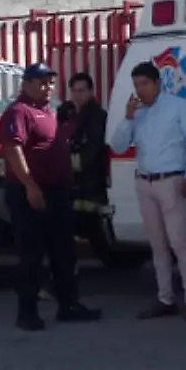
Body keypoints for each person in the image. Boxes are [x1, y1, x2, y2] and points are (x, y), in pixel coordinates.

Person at [0, 63, 101, 331]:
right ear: (26, 84)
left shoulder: (49, 112)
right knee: (31, 255)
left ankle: (68, 306)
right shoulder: (18, 112)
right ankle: (27, 312)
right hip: (31, 193)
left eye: (51, 82)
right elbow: (13, 150)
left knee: (64, 253)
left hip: (58, 193)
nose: (48, 87)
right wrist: (30, 186)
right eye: (42, 82)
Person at [110, 60, 186, 324]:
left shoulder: (178, 107)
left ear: (156, 83)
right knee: (157, 245)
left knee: (179, 242)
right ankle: (165, 299)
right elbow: (118, 146)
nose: (140, 90)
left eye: (144, 84)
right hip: (145, 182)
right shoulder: (137, 114)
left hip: (171, 181)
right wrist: (127, 118)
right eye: (136, 85)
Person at [58, 71, 115, 269]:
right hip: (74, 184)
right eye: (74, 91)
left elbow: (92, 150)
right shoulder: (67, 113)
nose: (77, 95)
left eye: (82, 91)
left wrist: (67, 166)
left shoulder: (97, 117)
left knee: (91, 229)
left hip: (91, 183)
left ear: (91, 92)